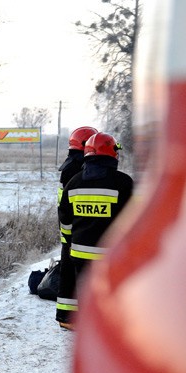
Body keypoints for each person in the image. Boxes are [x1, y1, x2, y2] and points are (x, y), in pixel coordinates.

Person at [55, 132, 133, 329]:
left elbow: (65, 218)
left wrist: (70, 242)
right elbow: (134, 219)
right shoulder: (123, 182)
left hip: (80, 254)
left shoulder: (74, 183)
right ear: (112, 155)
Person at [52, 126, 98, 302]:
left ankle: (67, 311)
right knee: (73, 273)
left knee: (69, 274)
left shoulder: (69, 165)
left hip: (68, 224)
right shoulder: (79, 167)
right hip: (76, 227)